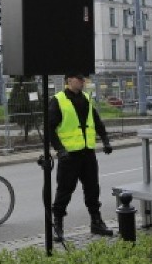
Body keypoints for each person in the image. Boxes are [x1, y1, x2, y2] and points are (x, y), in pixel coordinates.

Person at [49, 72, 114, 242]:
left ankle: (96, 221)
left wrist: (105, 140)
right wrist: (60, 149)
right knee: (64, 191)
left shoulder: (86, 98)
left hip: (87, 154)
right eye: (79, 79)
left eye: (84, 79)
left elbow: (97, 121)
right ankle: (58, 224)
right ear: (69, 80)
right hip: (69, 156)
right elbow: (50, 129)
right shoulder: (58, 100)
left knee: (93, 189)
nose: (83, 82)